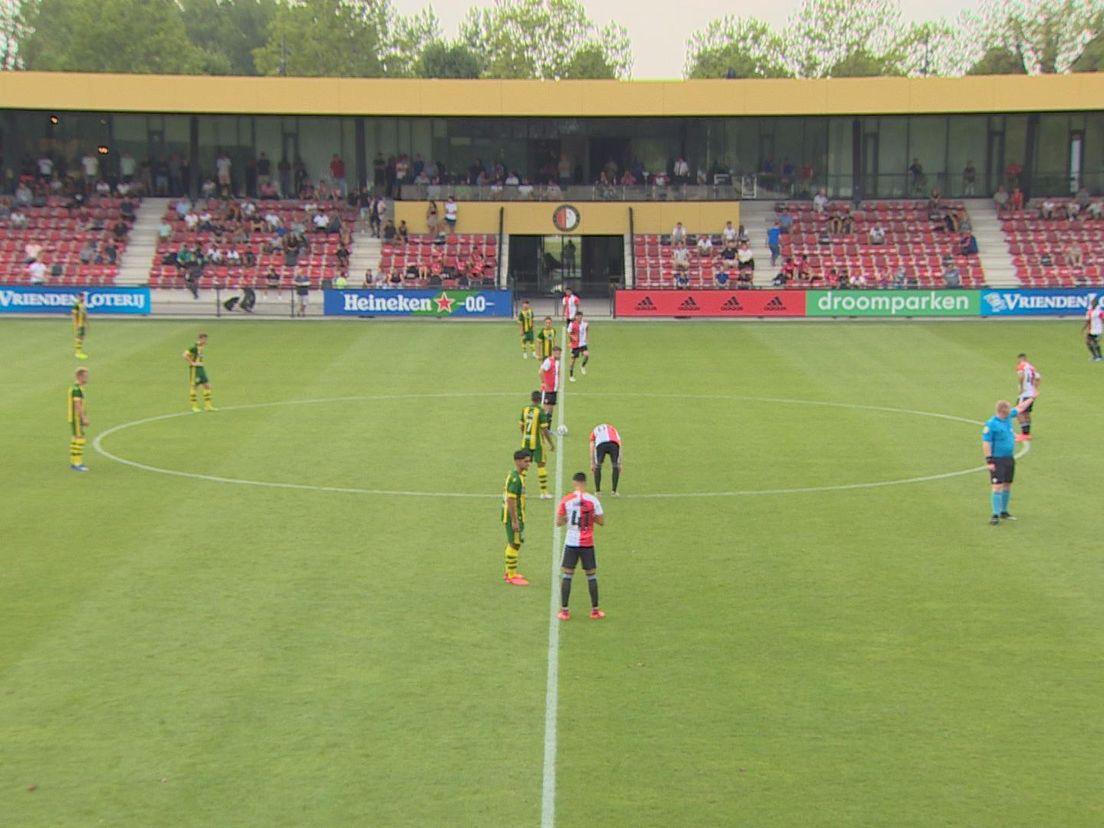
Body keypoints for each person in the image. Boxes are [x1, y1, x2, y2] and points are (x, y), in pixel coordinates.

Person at [555, 472, 606, 621]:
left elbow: (558, 522)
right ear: (585, 483)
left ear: (574, 483)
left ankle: (564, 611)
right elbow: (601, 521)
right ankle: (595, 611)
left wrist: (568, 519)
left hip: (571, 542)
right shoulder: (593, 500)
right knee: (591, 575)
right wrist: (590, 518)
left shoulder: (566, 500)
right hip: (587, 542)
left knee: (567, 575)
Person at [982, 400, 1020, 525]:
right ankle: (995, 514)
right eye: (1005, 414)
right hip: (997, 460)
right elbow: (987, 443)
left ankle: (1003, 511)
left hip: (1008, 458)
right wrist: (989, 460)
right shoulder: (991, 424)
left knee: (1007, 484)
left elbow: (1019, 408)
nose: (1007, 415)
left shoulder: (1008, 417)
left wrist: (1031, 398)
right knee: (997, 486)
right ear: (1000, 412)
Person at [501, 449, 532, 586]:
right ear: (518, 461)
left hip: (516, 515)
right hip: (513, 516)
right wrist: (514, 520)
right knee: (515, 543)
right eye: (526, 461)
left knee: (515, 543)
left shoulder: (517, 476)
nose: (528, 464)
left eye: (529, 461)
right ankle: (511, 575)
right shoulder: (515, 479)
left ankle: (509, 572)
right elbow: (511, 500)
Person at [520, 390, 555, 500]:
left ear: (531, 398)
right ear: (540, 400)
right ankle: (543, 492)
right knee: (541, 465)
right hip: (537, 443)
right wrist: (551, 443)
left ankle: (521, 490)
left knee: (524, 466)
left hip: (525, 441)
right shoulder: (540, 411)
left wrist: (525, 435)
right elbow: (544, 429)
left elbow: (521, 426)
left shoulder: (525, 410)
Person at [183, 333, 216, 413]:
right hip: (195, 369)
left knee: (207, 386)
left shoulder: (201, 346)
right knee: (194, 387)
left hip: (201, 368)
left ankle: (208, 406)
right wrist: (192, 363)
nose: (206, 341)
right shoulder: (194, 347)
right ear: (200, 339)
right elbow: (184, 355)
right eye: (204, 339)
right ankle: (194, 407)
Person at [68, 367, 90, 472]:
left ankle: (74, 462)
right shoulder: (76, 389)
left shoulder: (77, 388)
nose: (87, 378)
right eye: (85, 376)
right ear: (80, 376)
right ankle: (77, 463)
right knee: (80, 438)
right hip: (76, 418)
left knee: (75, 439)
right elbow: (77, 405)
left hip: (74, 417)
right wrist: (83, 418)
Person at [589, 422, 622, 496]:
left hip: (601, 444)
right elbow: (620, 445)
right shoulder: (613, 429)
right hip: (614, 444)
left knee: (598, 466)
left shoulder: (594, 431)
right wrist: (619, 463)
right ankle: (614, 491)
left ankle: (597, 491)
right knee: (615, 466)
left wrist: (592, 462)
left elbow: (592, 447)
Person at [1015, 353, 1040, 440]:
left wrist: (1021, 388)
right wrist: (1035, 389)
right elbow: (1038, 378)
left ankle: (1024, 434)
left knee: (1018, 411)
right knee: (1026, 412)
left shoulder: (1021, 366)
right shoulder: (1032, 367)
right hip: (1031, 393)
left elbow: (1021, 376)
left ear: (1020, 359)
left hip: (1025, 393)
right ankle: (1027, 433)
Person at [539, 345, 562, 416]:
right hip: (547, 390)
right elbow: (540, 371)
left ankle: (548, 426)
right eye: (558, 353)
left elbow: (557, 373)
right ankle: (542, 426)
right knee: (545, 411)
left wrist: (558, 383)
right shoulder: (548, 361)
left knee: (551, 410)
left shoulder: (557, 362)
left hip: (553, 390)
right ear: (553, 353)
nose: (559, 355)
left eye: (560, 353)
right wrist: (544, 383)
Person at [568, 310, 589, 382]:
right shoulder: (572, 324)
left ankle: (582, 366)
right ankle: (571, 375)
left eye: (580, 317)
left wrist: (586, 337)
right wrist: (572, 339)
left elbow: (587, 329)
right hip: (575, 344)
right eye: (578, 317)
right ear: (576, 317)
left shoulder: (585, 324)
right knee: (573, 361)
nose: (579, 318)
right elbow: (569, 333)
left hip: (582, 343)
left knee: (586, 355)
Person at [1083, 296, 1104, 361]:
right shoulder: (1090, 311)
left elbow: (1103, 319)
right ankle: (1095, 355)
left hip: (1097, 329)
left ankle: (1100, 356)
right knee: (1087, 342)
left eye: (1094, 302)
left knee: (1095, 342)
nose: (1093, 303)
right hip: (1091, 329)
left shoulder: (1099, 311)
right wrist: (1084, 328)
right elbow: (1088, 321)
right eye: (1092, 302)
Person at [72, 292, 89, 360]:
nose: (83, 298)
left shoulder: (83, 305)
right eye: (81, 297)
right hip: (79, 324)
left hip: (82, 324)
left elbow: (84, 315)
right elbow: (74, 315)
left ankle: (80, 351)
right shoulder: (76, 305)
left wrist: (87, 323)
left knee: (81, 338)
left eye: (83, 297)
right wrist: (76, 324)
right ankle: (78, 353)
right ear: (78, 297)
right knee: (79, 338)